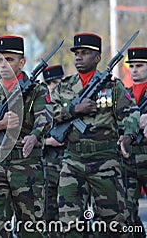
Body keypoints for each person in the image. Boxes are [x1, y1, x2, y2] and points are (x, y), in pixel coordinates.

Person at [51, 33, 140, 237]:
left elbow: (131, 113)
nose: (78, 57)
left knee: (114, 224)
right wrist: (74, 110)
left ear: (97, 58)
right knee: (69, 223)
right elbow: (48, 114)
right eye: (76, 53)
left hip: (105, 161)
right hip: (72, 161)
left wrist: (128, 136)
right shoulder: (64, 86)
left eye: (85, 53)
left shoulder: (112, 86)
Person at [0, 35, 52, 237]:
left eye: (9, 59)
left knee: (31, 227)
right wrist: (1, 124)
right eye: (0, 59)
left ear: (22, 62)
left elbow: (45, 119)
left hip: (26, 164)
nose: (3, 64)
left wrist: (35, 136)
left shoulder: (36, 90)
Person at [121, 47, 147, 237]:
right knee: (125, 211)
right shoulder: (124, 94)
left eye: (140, 66)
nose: (135, 70)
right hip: (128, 158)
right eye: (132, 66)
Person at [42, 65, 65, 236]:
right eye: (50, 83)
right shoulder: (41, 106)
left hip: (68, 164)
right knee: (49, 213)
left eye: (57, 82)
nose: (54, 86)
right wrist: (48, 141)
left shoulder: (69, 104)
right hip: (47, 165)